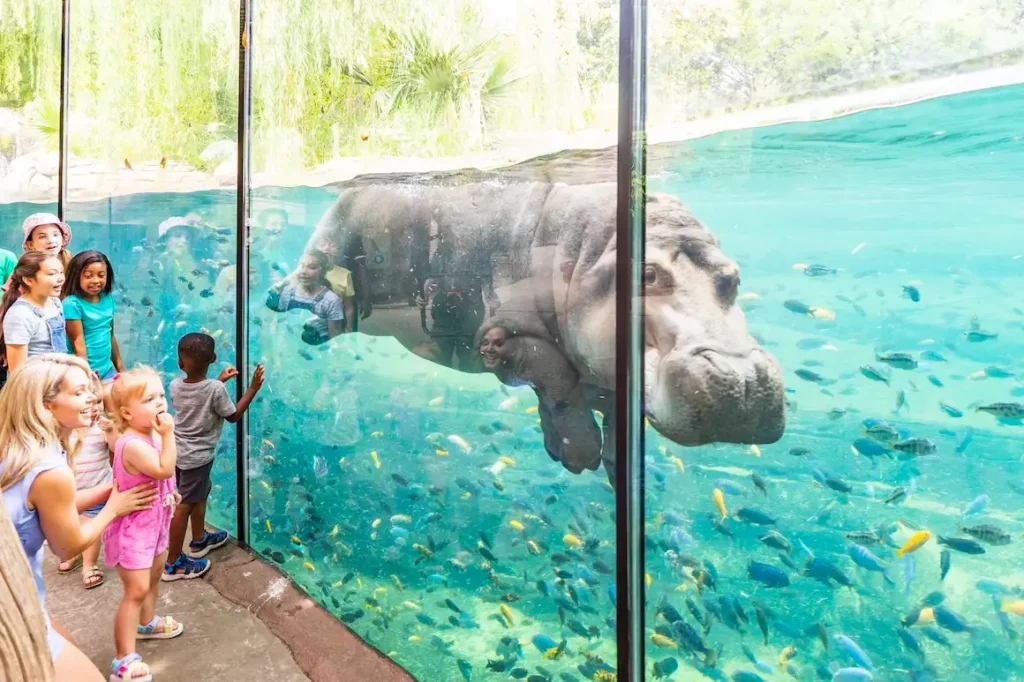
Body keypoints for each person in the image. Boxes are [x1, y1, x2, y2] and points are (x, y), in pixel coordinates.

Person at [0, 353, 159, 681]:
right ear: (47, 406)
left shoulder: (25, 448)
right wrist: (115, 506)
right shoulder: (49, 469)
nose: (94, 397)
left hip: (21, 586)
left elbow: (58, 505)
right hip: (8, 597)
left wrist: (108, 490)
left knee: (69, 646)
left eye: (91, 389)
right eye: (79, 392)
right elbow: (68, 545)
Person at [164, 333, 264, 580]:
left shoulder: (175, 385)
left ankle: (199, 541)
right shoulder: (215, 389)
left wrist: (219, 382)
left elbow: (198, 399)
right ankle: (173, 562)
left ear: (180, 362)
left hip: (178, 451)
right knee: (184, 504)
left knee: (202, 490)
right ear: (214, 358)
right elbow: (232, 415)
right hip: (197, 457)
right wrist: (252, 388)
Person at [105, 366, 183, 681]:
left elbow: (164, 479)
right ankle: (123, 659)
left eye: (160, 395)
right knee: (135, 590)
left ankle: (147, 622)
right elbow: (164, 468)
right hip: (135, 529)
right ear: (126, 412)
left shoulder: (147, 434)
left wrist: (171, 495)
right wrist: (169, 435)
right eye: (149, 399)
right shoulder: (133, 444)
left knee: (153, 577)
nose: (159, 402)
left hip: (155, 523)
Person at [55, 372, 115, 588]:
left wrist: (112, 432)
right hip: (69, 491)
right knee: (68, 526)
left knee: (91, 528)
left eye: (99, 401)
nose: (96, 407)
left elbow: (117, 449)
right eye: (88, 401)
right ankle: (73, 553)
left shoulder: (102, 427)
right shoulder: (64, 428)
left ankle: (89, 564)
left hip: (97, 488)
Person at [62, 250, 124, 386]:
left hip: (107, 370)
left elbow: (110, 334)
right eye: (88, 276)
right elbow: (78, 342)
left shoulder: (108, 298)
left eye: (101, 275)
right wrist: (85, 374)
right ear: (76, 276)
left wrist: (121, 370)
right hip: (84, 372)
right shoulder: (72, 303)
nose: (96, 281)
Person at [0, 251, 68, 374]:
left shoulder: (56, 303)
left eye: (62, 272)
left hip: (58, 379)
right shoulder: (19, 314)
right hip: (35, 386)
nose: (61, 278)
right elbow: (17, 370)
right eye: (52, 273)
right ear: (28, 280)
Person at [266, 250, 348, 343]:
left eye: (312, 267)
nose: (304, 271)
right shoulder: (286, 291)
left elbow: (335, 335)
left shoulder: (331, 300)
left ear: (323, 271)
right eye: (301, 265)